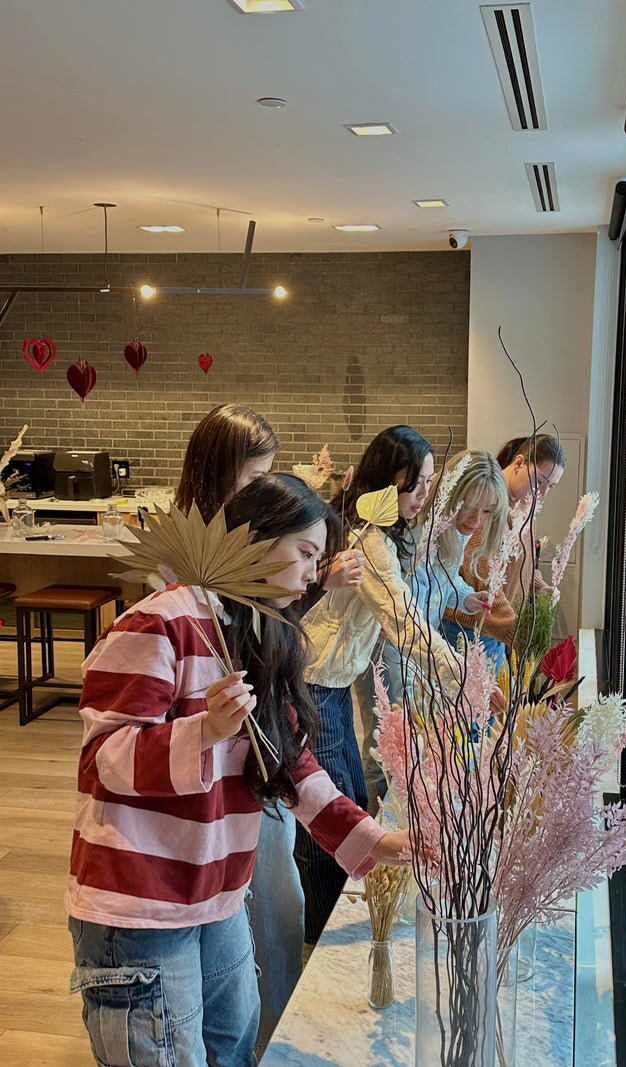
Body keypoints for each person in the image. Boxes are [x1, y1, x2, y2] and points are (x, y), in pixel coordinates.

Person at [66, 473, 408, 1067]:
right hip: (140, 904)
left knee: (234, 1046)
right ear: (255, 538)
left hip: (218, 895)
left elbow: (286, 762)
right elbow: (103, 759)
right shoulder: (160, 622)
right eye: (305, 554)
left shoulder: (260, 631)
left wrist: (374, 841)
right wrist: (204, 731)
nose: (311, 574)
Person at [171, 403, 363, 1050]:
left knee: (273, 900)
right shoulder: (183, 580)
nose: (261, 489)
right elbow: (122, 748)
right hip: (206, 782)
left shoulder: (253, 577)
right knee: (244, 912)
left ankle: (271, 1031)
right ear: (214, 475)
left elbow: (276, 701)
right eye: (254, 476)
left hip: (258, 756)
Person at [296, 426, 505, 942]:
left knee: (345, 801)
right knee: (328, 814)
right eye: (417, 485)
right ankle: (317, 932)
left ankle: (329, 924)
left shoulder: (386, 533)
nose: (424, 497)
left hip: (333, 687)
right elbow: (405, 623)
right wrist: (466, 678)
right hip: (314, 685)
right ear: (389, 481)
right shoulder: (368, 538)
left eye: (430, 484)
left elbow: (427, 585)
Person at [383, 449, 508, 696]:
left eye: (487, 510)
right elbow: (404, 606)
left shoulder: (457, 529)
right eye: (470, 506)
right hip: (394, 644)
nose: (476, 519)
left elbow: (442, 578)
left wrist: (465, 597)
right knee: (392, 723)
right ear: (450, 495)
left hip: (424, 642)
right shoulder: (414, 534)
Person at [442, 433, 566, 667]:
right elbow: (479, 578)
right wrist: (515, 630)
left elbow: (523, 564)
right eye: (540, 481)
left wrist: (540, 587)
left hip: (496, 629)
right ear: (519, 463)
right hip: (468, 629)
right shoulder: (488, 507)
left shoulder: (525, 510)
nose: (543, 493)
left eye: (552, 487)